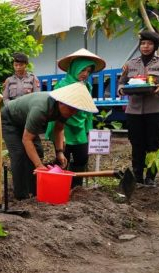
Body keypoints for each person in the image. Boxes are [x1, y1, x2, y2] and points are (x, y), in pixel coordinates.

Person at [2, 82, 98, 200]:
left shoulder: (67, 109)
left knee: (38, 151)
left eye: (76, 110)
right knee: (19, 154)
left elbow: (59, 129)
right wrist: (39, 165)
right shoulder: (41, 109)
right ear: (61, 102)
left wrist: (59, 152)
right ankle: (21, 195)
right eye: (72, 109)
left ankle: (33, 191)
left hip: (26, 119)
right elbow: (27, 139)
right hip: (10, 119)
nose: (73, 113)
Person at [118, 30, 159, 186]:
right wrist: (121, 90)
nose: (145, 46)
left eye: (149, 43)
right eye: (143, 43)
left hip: (156, 111)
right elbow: (121, 83)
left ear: (155, 46)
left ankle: (150, 178)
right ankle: (137, 177)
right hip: (134, 112)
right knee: (137, 145)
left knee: (153, 145)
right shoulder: (130, 64)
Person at [45, 48, 106, 187]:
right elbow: (54, 111)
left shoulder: (88, 86)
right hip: (63, 127)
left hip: (79, 128)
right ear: (74, 68)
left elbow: (88, 110)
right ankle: (60, 186)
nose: (85, 74)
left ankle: (76, 187)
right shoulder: (61, 85)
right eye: (82, 70)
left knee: (82, 158)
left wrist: (87, 130)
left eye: (88, 71)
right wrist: (54, 132)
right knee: (62, 158)